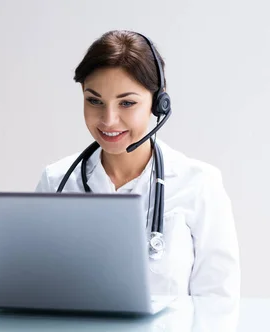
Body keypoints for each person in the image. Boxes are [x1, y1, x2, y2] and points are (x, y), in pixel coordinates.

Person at [35, 30, 240, 298]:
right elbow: (36, 290)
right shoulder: (56, 182)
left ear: (158, 103)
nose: (108, 120)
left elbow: (218, 308)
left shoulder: (200, 185)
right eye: (94, 100)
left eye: (127, 103)